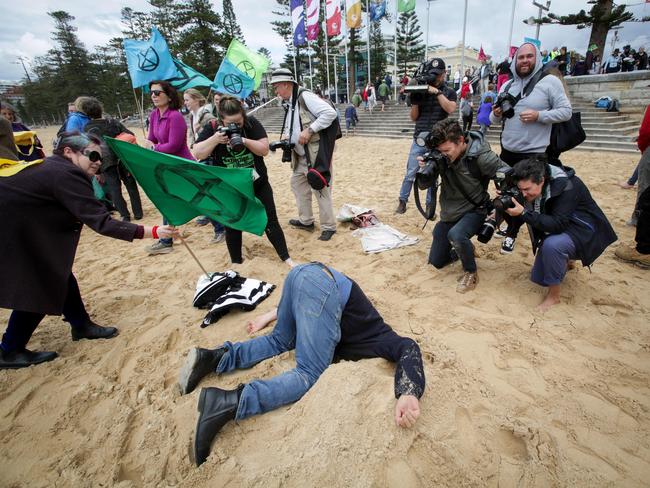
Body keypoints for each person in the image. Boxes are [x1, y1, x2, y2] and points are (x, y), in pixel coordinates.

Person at [178, 262, 425, 466]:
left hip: (302, 274)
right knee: (309, 373)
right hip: (322, 287)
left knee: (280, 340)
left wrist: (270, 315)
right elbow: (409, 347)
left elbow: (310, 292)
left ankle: (211, 358)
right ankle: (227, 403)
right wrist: (409, 391)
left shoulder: (359, 327)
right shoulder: (381, 336)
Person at [0, 131, 179, 369]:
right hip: (11, 230)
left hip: (18, 226)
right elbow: (102, 223)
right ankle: (9, 349)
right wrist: (154, 231)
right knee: (40, 283)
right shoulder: (65, 174)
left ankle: (80, 323)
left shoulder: (56, 167)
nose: (97, 161)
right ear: (68, 152)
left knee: (58, 273)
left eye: (101, 157)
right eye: (92, 155)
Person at [489, 42, 572, 255]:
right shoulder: (507, 86)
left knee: (533, 199)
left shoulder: (549, 81)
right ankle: (511, 232)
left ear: (536, 59)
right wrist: (496, 114)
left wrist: (539, 116)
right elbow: (492, 119)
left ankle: (542, 244)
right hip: (508, 152)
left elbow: (566, 111)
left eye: (529, 56)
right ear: (515, 60)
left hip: (534, 153)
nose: (525, 61)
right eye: (521, 57)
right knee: (507, 194)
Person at [504, 156, 617, 311]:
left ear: (542, 180)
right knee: (538, 278)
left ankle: (553, 296)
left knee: (552, 246)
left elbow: (558, 224)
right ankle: (567, 259)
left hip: (585, 232)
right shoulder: (532, 186)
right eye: (520, 189)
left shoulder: (569, 186)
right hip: (565, 226)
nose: (523, 194)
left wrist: (524, 212)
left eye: (527, 189)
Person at [191, 96, 294, 267]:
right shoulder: (213, 128)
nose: (235, 126)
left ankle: (286, 258)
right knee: (232, 224)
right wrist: (215, 139)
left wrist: (244, 140)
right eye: (230, 123)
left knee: (270, 219)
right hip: (230, 187)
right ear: (221, 119)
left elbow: (264, 150)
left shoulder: (250, 123)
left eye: (238, 122)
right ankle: (236, 263)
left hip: (257, 182)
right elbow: (198, 153)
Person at [420, 119, 511, 293]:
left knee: (456, 234)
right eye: (440, 151)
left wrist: (498, 211)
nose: (443, 154)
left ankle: (471, 272)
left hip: (476, 209)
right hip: (450, 211)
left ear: (461, 140)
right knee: (437, 262)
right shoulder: (440, 154)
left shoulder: (481, 157)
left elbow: (509, 176)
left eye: (447, 150)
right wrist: (427, 169)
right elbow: (423, 186)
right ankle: (465, 249)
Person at [270, 68, 339, 242]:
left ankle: (329, 227)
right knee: (298, 185)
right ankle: (306, 220)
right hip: (299, 155)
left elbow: (330, 114)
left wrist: (310, 130)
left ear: (286, 84)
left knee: (320, 188)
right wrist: (287, 135)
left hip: (315, 154)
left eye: (277, 87)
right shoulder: (290, 101)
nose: (275, 91)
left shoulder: (305, 96)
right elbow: (292, 125)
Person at [395, 58, 458, 217]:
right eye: (433, 74)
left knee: (432, 175)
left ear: (444, 74)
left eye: (438, 74)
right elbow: (413, 117)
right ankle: (402, 201)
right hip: (420, 138)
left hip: (438, 141)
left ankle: (430, 206)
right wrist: (416, 99)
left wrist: (436, 92)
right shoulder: (420, 89)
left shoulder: (449, 91)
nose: (435, 77)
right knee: (411, 172)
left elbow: (450, 108)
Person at [142, 80, 195, 255]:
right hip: (166, 167)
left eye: (157, 92)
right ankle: (166, 240)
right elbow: (152, 139)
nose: (153, 96)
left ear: (169, 95)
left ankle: (220, 229)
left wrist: (153, 148)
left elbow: (173, 145)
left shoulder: (175, 117)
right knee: (168, 201)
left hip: (182, 166)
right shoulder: (154, 115)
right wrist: (151, 146)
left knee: (197, 199)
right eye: (151, 92)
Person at [84, 99, 143, 223]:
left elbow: (91, 150)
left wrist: (97, 171)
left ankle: (125, 215)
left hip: (105, 161)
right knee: (131, 185)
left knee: (114, 188)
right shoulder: (112, 122)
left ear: (86, 113)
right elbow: (130, 135)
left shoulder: (87, 128)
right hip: (122, 157)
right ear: (100, 110)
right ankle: (138, 213)